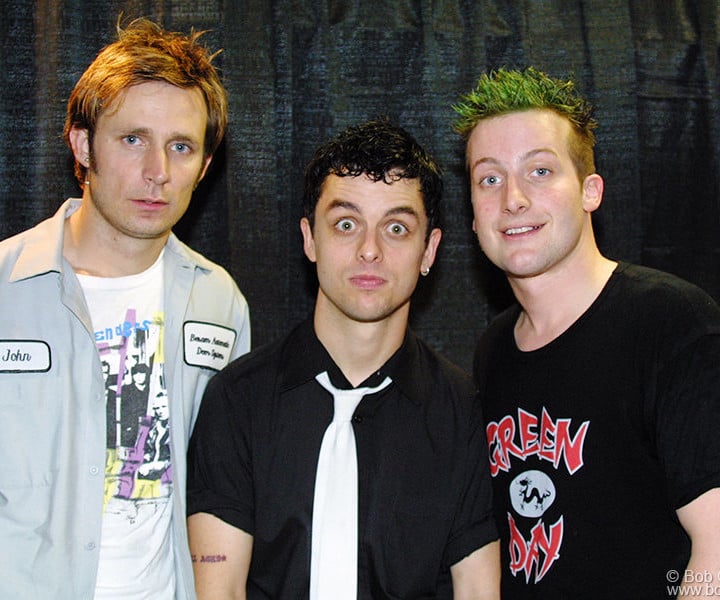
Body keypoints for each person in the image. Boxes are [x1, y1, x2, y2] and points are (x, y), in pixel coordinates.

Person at [186, 118, 500, 599]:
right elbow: (218, 590)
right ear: (310, 238)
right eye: (346, 224)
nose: (369, 250)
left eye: (396, 228)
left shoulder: (461, 409)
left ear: (429, 250)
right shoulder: (237, 399)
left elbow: (477, 590)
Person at [0, 17, 250, 600]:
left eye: (181, 146)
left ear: (205, 167)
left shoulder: (220, 303)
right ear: (83, 144)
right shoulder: (6, 288)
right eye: (133, 138)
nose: (157, 172)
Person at [453, 66, 720, 599]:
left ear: (590, 190)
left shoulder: (671, 323)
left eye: (540, 171)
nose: (512, 199)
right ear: (473, 216)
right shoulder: (494, 351)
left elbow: (716, 551)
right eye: (489, 178)